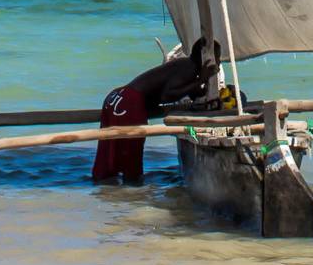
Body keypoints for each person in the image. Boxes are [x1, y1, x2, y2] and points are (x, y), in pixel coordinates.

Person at [92, 41, 220, 184]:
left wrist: (204, 85)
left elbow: (193, 93)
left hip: (115, 98)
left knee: (109, 152)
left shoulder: (186, 66)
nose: (219, 63)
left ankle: (105, 192)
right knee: (131, 154)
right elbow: (168, 95)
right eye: (218, 58)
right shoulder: (188, 68)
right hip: (129, 103)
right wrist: (201, 80)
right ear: (208, 58)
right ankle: (132, 193)